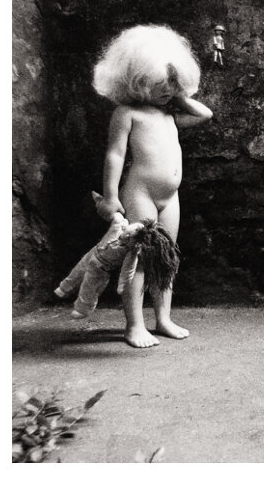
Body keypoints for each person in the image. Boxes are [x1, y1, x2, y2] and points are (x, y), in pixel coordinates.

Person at [93, 24, 213, 348]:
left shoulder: (169, 115)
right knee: (140, 259)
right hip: (141, 193)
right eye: (159, 83)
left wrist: (181, 92)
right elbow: (115, 155)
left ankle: (163, 318)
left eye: (172, 83)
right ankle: (134, 325)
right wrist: (110, 195)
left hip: (169, 197)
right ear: (137, 80)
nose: (166, 90)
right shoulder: (127, 112)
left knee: (166, 259)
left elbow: (205, 114)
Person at [55, 192, 180, 320]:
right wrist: (102, 200)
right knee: (78, 270)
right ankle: (64, 287)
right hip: (94, 252)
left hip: (101, 268)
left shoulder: (132, 252)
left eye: (128, 237)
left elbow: (128, 271)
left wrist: (122, 285)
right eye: (127, 233)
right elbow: (114, 215)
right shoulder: (120, 225)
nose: (124, 236)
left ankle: (83, 309)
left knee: (89, 287)